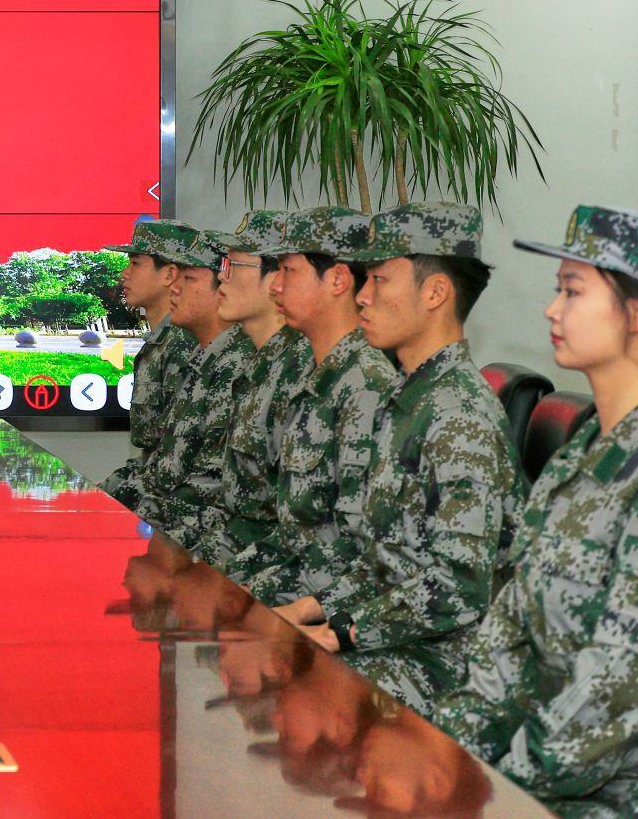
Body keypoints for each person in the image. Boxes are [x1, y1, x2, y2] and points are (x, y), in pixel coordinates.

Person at [275, 203, 522, 715]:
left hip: (448, 659)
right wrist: (309, 608)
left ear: (435, 293)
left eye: (380, 280)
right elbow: (384, 562)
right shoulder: (411, 397)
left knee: (300, 693)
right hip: (400, 633)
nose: (363, 296)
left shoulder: (457, 414)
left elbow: (460, 588)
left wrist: (342, 632)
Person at [432, 204, 638, 817]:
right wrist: (449, 750)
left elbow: (614, 691)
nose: (552, 310)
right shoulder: (584, 449)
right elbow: (510, 634)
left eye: (572, 291)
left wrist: (495, 786)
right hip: (541, 767)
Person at [222, 206, 396, 607]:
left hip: (325, 606)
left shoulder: (366, 387)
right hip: (292, 578)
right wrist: (226, 582)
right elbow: (291, 534)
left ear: (337, 280)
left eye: (289, 270)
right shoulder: (314, 374)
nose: (276, 287)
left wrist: (252, 596)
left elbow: (357, 550)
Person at [199, 211, 308, 567]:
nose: (221, 276)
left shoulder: (300, 371)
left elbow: (294, 528)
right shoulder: (256, 363)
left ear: (277, 278)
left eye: (233, 265)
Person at [135, 230, 251, 545]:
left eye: (188, 278)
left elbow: (211, 485)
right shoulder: (202, 360)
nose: (175, 287)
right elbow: (161, 465)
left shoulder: (237, 365)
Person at [97, 219, 191, 508]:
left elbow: (180, 462)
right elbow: (152, 457)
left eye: (135, 263)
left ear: (170, 274)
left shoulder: (185, 345)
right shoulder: (161, 341)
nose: (124, 274)